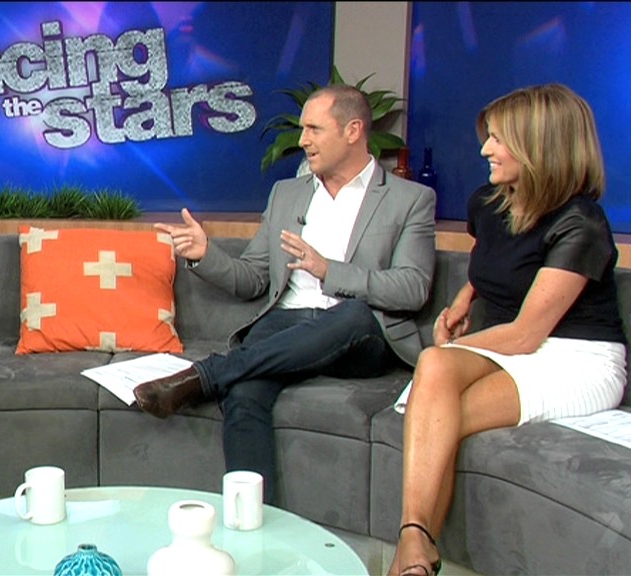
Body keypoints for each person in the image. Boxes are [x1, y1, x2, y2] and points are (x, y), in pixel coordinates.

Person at [135, 84, 437, 504]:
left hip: (358, 332)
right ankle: (253, 521)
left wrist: (330, 271)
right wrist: (207, 255)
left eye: (314, 129)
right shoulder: (287, 194)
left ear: (353, 131)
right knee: (243, 392)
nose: (303, 141)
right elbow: (253, 278)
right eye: (302, 129)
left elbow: (413, 287)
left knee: (352, 314)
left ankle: (207, 375)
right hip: (285, 325)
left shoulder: (410, 199)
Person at [388, 83, 627, 576]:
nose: (485, 150)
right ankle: (415, 545)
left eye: (498, 139)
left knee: (439, 411)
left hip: (576, 358)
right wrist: (464, 297)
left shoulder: (581, 222)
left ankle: (415, 549)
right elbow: (495, 262)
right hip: (517, 346)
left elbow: (525, 335)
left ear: (540, 146)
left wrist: (452, 350)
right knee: (437, 389)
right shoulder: (488, 202)